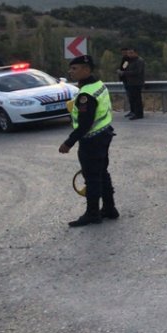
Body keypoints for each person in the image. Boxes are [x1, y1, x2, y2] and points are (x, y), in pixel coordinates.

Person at [58, 55, 118, 227]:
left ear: (86, 69)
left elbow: (85, 124)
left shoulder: (86, 94)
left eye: (74, 68)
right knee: (102, 173)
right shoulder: (98, 85)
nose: (71, 72)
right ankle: (109, 208)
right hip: (104, 134)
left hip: (92, 139)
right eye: (71, 68)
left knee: (91, 177)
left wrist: (68, 142)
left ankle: (93, 213)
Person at [117, 46, 145, 119]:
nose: (128, 54)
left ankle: (138, 114)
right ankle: (133, 112)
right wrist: (121, 72)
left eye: (131, 53)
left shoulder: (139, 60)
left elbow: (137, 72)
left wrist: (124, 73)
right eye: (128, 53)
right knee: (132, 98)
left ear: (135, 53)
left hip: (136, 82)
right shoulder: (127, 60)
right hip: (128, 82)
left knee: (137, 99)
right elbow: (123, 68)